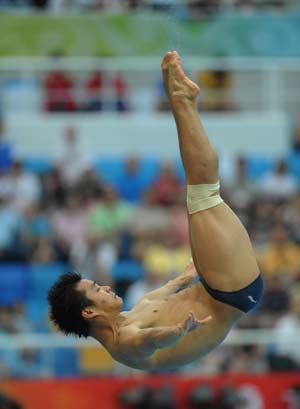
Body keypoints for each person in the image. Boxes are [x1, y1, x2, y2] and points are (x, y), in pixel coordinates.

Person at [48, 51, 263, 370]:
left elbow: (158, 295)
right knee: (202, 192)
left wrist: (184, 277)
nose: (105, 286)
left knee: (200, 190)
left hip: (214, 283)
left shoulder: (132, 314)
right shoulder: (123, 342)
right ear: (89, 312)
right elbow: (148, 341)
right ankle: (181, 99)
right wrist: (176, 332)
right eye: (97, 290)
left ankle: (180, 99)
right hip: (229, 293)